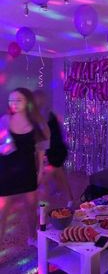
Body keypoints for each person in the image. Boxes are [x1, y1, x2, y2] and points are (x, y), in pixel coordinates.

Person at [0, 87, 50, 246]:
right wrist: (3, 146)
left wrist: (40, 172)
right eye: (11, 100)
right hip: (6, 173)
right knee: (2, 214)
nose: (13, 103)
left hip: (27, 172)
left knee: (31, 209)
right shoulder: (5, 120)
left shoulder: (37, 124)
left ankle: (32, 237)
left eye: (18, 100)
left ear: (27, 101)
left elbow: (41, 151)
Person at [33, 89, 74, 207]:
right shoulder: (46, 114)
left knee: (43, 181)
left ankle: (43, 209)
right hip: (56, 150)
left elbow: (45, 138)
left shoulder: (43, 116)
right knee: (58, 174)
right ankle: (69, 200)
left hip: (54, 152)